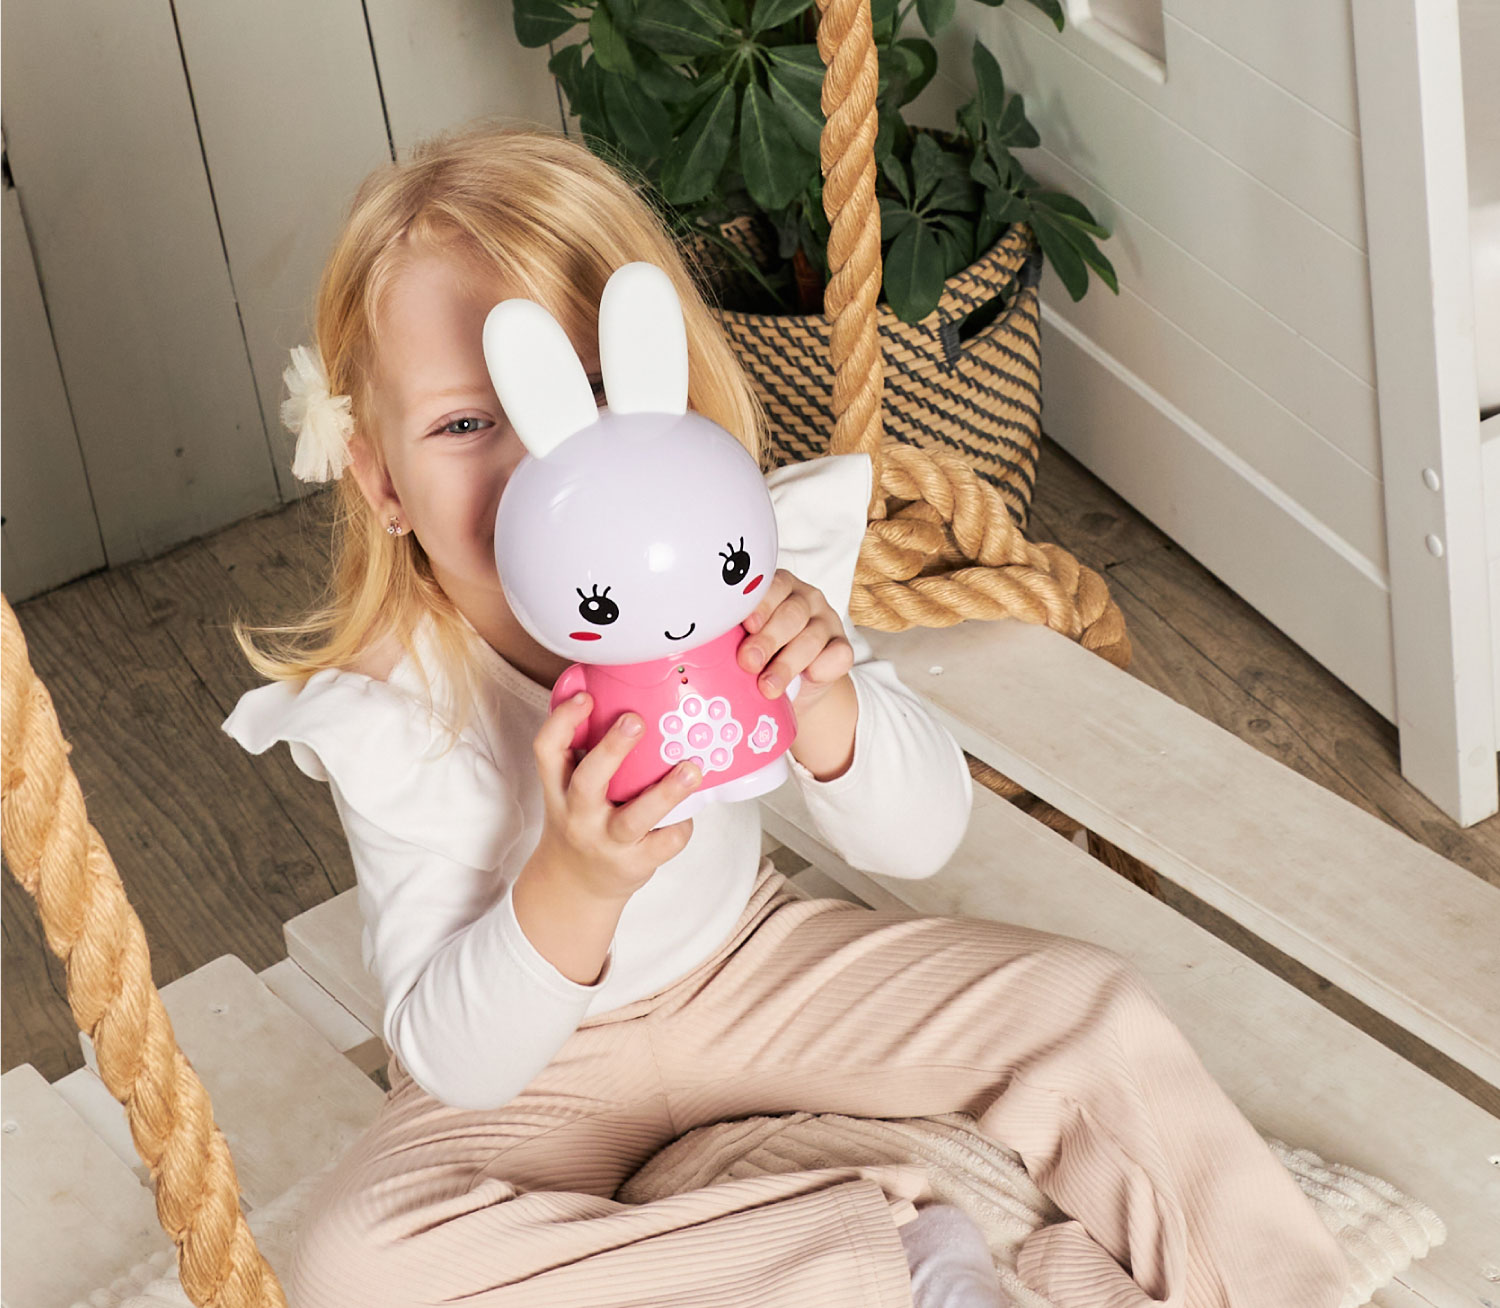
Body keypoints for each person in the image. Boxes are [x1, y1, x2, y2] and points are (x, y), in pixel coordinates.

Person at [222, 123, 1350, 1308]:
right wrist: (571, 883)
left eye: (594, 393)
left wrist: (827, 700)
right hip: (536, 1084)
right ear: (382, 480)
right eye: (465, 424)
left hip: (748, 969)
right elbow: (459, 1062)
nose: (546, 466)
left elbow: (920, 837)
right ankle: (872, 1251)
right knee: (357, 1266)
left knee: (1085, 1009)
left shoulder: (726, 571)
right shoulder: (394, 709)